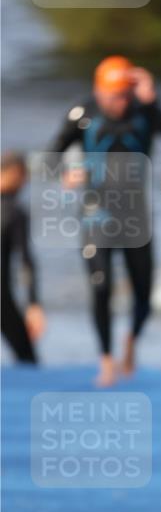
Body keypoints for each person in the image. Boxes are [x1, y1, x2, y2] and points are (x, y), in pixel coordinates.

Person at [49, 56, 161, 386]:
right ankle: (106, 359)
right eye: (111, 96)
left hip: (136, 216)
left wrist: (154, 101)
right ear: (98, 90)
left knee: (144, 296)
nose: (118, 103)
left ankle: (131, 340)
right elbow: (51, 157)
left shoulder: (145, 111)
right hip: (96, 214)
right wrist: (66, 173)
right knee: (101, 286)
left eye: (123, 95)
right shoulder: (82, 114)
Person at [1, 152, 45, 363]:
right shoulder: (14, 213)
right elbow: (26, 262)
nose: (25, 182)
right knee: (27, 358)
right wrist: (33, 304)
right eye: (22, 175)